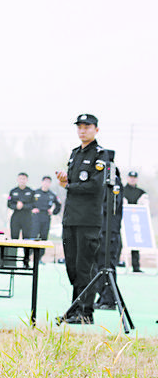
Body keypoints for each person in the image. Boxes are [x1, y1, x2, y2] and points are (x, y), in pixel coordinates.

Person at [57, 113, 107, 324]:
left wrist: (68, 186)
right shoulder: (75, 153)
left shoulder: (101, 155)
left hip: (88, 219)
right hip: (71, 219)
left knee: (84, 266)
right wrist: (65, 180)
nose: (82, 130)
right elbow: (74, 181)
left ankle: (86, 311)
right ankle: (75, 307)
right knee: (72, 266)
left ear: (96, 129)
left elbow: (95, 185)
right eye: (79, 126)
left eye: (87, 126)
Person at [95, 167, 123, 309]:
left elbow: (112, 204)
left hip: (110, 231)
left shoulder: (114, 182)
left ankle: (110, 300)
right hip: (101, 230)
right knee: (100, 265)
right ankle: (103, 297)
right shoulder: (103, 181)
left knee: (108, 265)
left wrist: (94, 204)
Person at [7, 172, 35, 267]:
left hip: (27, 218)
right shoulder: (13, 191)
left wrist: (23, 206)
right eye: (20, 179)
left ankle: (26, 261)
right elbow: (9, 204)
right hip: (16, 217)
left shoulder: (31, 192)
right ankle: (12, 261)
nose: (22, 180)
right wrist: (16, 206)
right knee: (14, 238)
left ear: (26, 180)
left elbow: (33, 205)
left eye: (24, 179)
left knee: (26, 240)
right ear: (17, 179)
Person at [122, 170, 146, 272]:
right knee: (118, 242)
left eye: (134, 178)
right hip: (123, 220)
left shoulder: (141, 192)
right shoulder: (122, 190)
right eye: (131, 177)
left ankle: (136, 266)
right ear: (127, 178)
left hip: (135, 221)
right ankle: (116, 263)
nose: (132, 179)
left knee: (135, 243)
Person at [31, 175, 62, 242]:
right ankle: (30, 252)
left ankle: (41, 252)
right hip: (36, 217)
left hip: (46, 217)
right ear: (42, 182)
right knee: (33, 236)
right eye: (45, 182)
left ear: (50, 184)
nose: (46, 183)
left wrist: (53, 212)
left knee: (44, 236)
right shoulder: (35, 192)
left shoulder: (52, 194)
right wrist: (32, 209)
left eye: (48, 182)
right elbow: (28, 202)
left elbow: (59, 204)